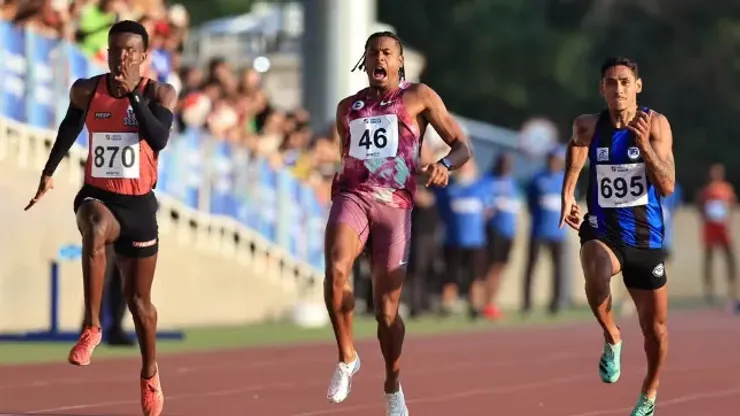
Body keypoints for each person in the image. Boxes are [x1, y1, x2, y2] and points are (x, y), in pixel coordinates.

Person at [25, 20, 176, 416]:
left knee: (139, 303)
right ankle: (92, 327)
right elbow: (69, 127)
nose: (121, 57)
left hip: (139, 205)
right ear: (107, 52)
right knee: (92, 228)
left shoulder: (159, 92)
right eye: (115, 50)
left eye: (130, 51)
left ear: (144, 56)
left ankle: (149, 373)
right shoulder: (87, 89)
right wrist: (48, 172)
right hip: (99, 195)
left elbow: (159, 138)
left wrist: (133, 99)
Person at [324, 31, 470, 415]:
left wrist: (443, 166)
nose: (380, 59)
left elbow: (461, 146)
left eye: (387, 53)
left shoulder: (417, 96)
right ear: (365, 61)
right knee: (336, 269)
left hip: (395, 208)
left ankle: (392, 384)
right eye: (373, 53)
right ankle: (346, 357)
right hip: (353, 197)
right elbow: (348, 157)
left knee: (386, 311)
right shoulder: (347, 108)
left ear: (399, 61)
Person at [560, 56, 675, 416]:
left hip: (645, 236)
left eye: (625, 82)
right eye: (611, 82)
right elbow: (576, 146)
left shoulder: (654, 124)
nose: (619, 89)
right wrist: (567, 193)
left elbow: (668, 185)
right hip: (604, 229)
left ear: (637, 86)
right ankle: (611, 334)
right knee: (593, 270)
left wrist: (644, 145)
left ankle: (649, 393)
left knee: (655, 330)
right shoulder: (589, 125)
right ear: (602, 89)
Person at [434, 159, 489, 319]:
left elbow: (487, 210)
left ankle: (476, 307)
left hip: (476, 241)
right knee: (451, 275)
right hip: (453, 240)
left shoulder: (481, 186)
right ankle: (447, 307)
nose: (465, 168)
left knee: (476, 276)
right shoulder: (449, 188)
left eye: (468, 165)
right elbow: (442, 210)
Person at [522, 147, 568, 316]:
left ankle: (557, 303)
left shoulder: (565, 179)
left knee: (558, 269)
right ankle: (527, 303)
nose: (554, 162)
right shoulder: (537, 179)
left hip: (558, 232)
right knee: (531, 266)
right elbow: (530, 203)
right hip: (538, 231)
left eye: (557, 159)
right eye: (551, 159)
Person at [481, 153, 520, 320]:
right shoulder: (488, 181)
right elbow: (485, 207)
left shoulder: (512, 183)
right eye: (503, 163)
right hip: (494, 231)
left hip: (508, 232)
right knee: (490, 268)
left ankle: (492, 303)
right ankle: (484, 304)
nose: (506, 167)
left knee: (500, 268)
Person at [698, 164, 738, 310]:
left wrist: (727, 216)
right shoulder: (705, 191)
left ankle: (732, 288)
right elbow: (700, 206)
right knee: (709, 257)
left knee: (730, 256)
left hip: (723, 228)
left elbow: (731, 204)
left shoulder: (726, 188)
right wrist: (705, 215)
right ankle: (709, 290)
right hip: (710, 227)